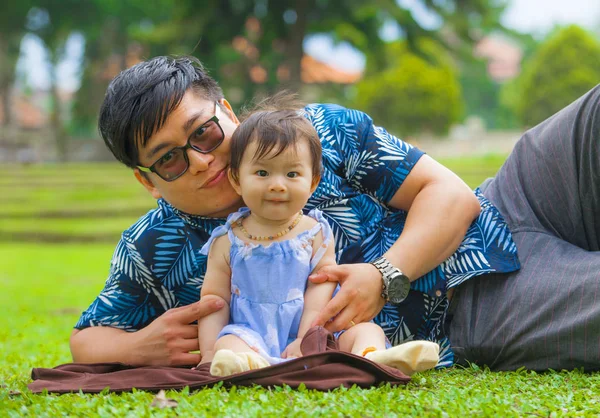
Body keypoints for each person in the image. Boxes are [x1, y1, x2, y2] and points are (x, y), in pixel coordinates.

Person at [72, 54, 597, 373]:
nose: (202, 160)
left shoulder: (316, 132)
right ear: (146, 181)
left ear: (227, 112)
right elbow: (86, 338)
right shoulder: (153, 248)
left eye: (204, 131)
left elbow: (450, 196)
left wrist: (383, 275)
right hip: (477, 303)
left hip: (510, 196)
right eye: (169, 158)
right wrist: (141, 346)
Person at [196, 99, 439, 377]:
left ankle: (373, 356)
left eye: (292, 174)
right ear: (237, 179)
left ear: (312, 182)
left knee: (365, 330)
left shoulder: (315, 233)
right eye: (262, 173)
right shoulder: (228, 240)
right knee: (229, 341)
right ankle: (245, 364)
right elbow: (215, 299)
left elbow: (319, 292)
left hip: (314, 332)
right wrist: (208, 353)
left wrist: (306, 340)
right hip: (252, 334)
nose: (277, 184)